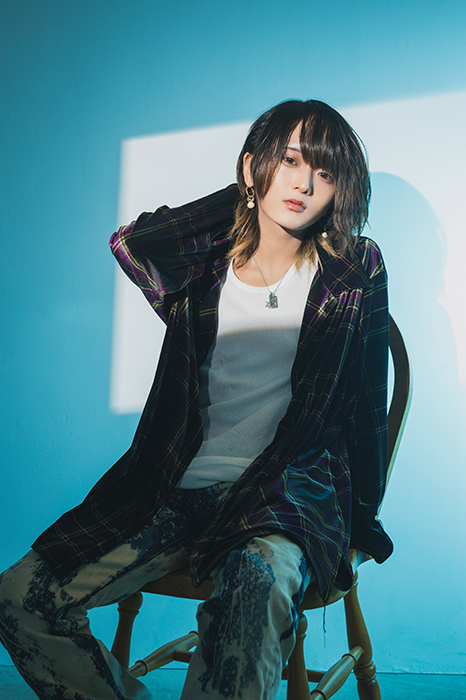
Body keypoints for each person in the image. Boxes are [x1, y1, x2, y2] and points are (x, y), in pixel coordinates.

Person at [0, 99, 393, 700]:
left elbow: (368, 405)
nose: (304, 184)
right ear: (254, 166)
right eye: (289, 161)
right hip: (168, 490)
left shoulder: (353, 269)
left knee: (253, 594)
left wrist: (360, 521)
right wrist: (246, 194)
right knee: (20, 597)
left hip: (277, 499)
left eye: (325, 171)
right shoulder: (202, 270)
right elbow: (134, 242)